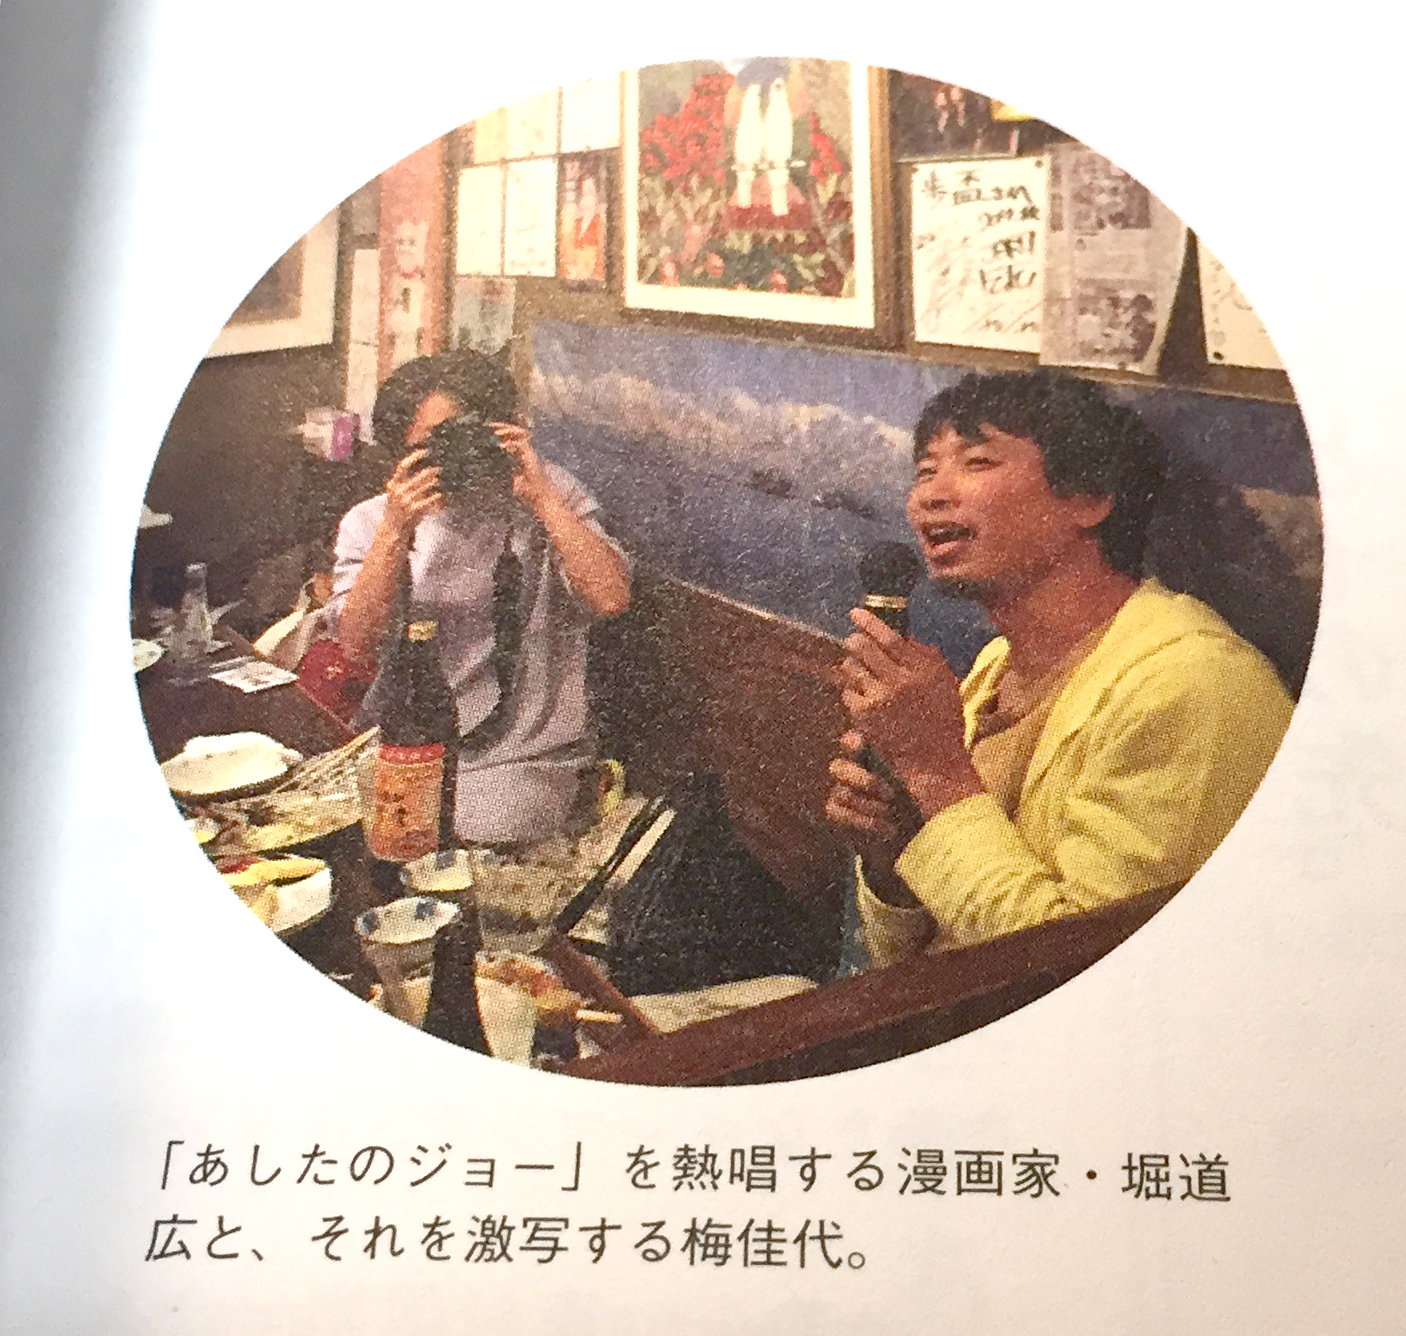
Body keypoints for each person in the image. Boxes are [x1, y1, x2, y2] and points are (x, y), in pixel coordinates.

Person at [824, 369, 1294, 963]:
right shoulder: (996, 666)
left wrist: (933, 770)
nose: (930, 496)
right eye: (925, 471)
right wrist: (892, 855)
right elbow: (911, 962)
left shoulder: (1192, 683)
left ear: (1089, 499)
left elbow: (1070, 969)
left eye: (977, 462)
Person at [327, 351, 631, 846]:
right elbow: (357, 647)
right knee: (354, 836)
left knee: (451, 837)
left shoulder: (547, 493)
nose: (453, 460)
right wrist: (396, 532)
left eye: (463, 439)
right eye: (430, 449)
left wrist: (543, 501)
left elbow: (611, 598)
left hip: (522, 752)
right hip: (404, 742)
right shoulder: (372, 521)